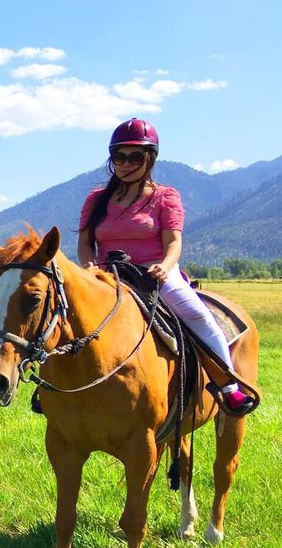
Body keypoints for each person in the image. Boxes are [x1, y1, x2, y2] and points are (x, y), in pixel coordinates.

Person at [77, 118, 255, 416]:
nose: (126, 163)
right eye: (119, 156)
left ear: (151, 158)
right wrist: (88, 265)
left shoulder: (165, 197)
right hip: (107, 274)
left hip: (154, 273)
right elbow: (85, 242)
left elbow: (173, 242)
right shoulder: (96, 200)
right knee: (67, 315)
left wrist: (164, 266)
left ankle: (228, 386)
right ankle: (51, 389)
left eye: (135, 156)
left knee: (196, 315)